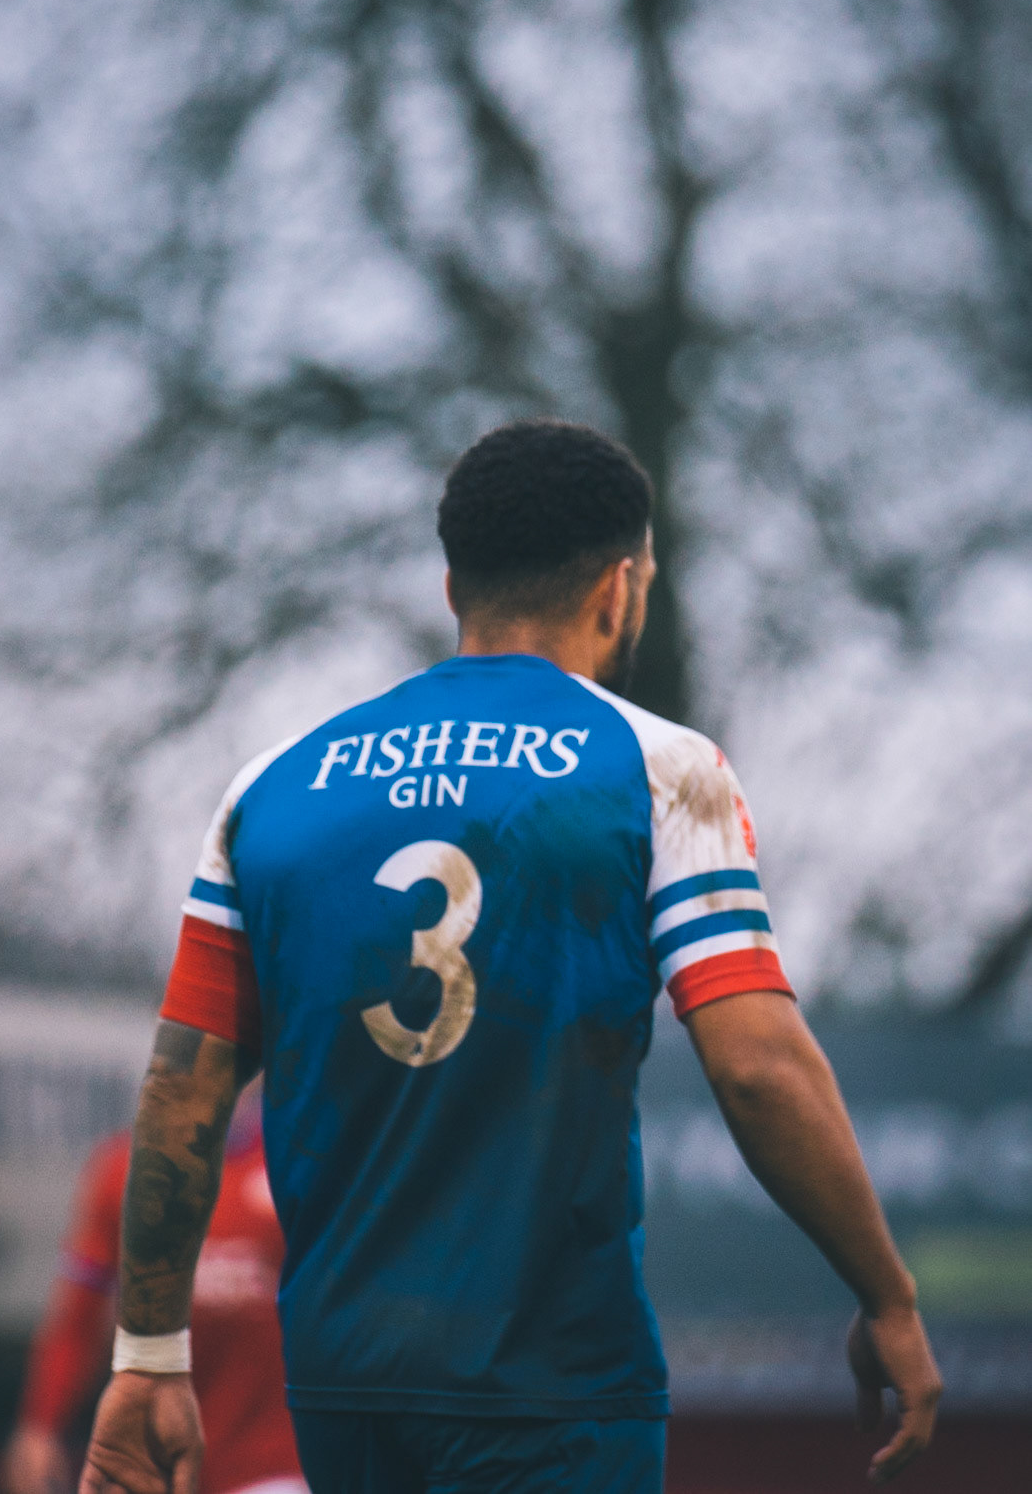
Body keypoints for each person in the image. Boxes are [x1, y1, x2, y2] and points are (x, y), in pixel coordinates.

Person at [79, 421, 941, 1494]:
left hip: (343, 1387)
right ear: (620, 587)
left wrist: (148, 1356)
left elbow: (185, 1085)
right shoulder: (661, 768)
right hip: (555, 1387)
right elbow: (757, 1064)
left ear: (453, 587)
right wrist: (887, 1293)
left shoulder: (272, 786)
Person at [6, 1082, 307, 1494]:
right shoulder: (124, 1171)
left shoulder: (293, 1167)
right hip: (152, 1461)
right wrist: (41, 1424)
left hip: (268, 1463)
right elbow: (79, 1318)